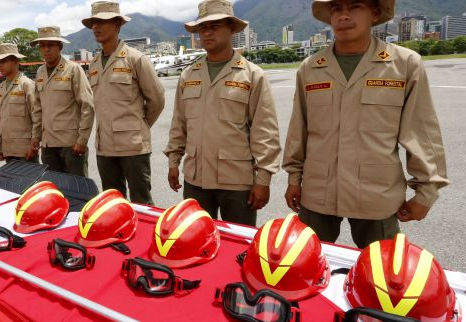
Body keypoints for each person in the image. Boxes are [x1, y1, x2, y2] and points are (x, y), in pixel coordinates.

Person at [282, 0, 449, 248]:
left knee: (381, 277)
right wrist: (294, 179)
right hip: (318, 194)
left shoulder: (404, 64)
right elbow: (299, 130)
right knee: (305, 268)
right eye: (337, 8)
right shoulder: (310, 68)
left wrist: (426, 193)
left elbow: (422, 132)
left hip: (376, 196)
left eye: (355, 6)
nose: (344, 15)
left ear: (375, 12)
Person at [164, 0, 281, 226]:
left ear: (231, 29)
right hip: (196, 179)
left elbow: (265, 131)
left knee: (238, 245)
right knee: (195, 240)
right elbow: (179, 123)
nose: (207, 32)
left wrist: (263, 179)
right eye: (202, 28)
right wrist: (173, 161)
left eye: (215, 26)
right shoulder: (188, 75)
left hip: (236, 181)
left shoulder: (251, 75)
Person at [82, 1, 165, 204]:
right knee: (112, 203)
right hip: (104, 147)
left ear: (118, 24)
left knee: (141, 203)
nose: (96, 26)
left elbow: (157, 99)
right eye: (93, 22)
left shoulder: (135, 59)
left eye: (102, 21)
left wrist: (139, 125)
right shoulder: (93, 64)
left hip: (133, 147)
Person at [31, 26, 95, 176]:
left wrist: (82, 140)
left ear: (59, 46)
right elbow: (38, 107)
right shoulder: (40, 72)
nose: (46, 49)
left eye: (50, 45)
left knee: (77, 189)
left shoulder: (73, 69)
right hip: (48, 145)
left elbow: (87, 106)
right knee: (54, 189)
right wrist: (36, 135)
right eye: (42, 46)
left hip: (70, 144)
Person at [0, 43, 40, 163]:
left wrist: (34, 144)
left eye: (3, 61)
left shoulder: (26, 85)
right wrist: (0, 146)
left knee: (29, 181)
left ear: (15, 61)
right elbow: (0, 119)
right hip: (8, 149)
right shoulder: (0, 87)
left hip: (25, 149)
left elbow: (37, 117)